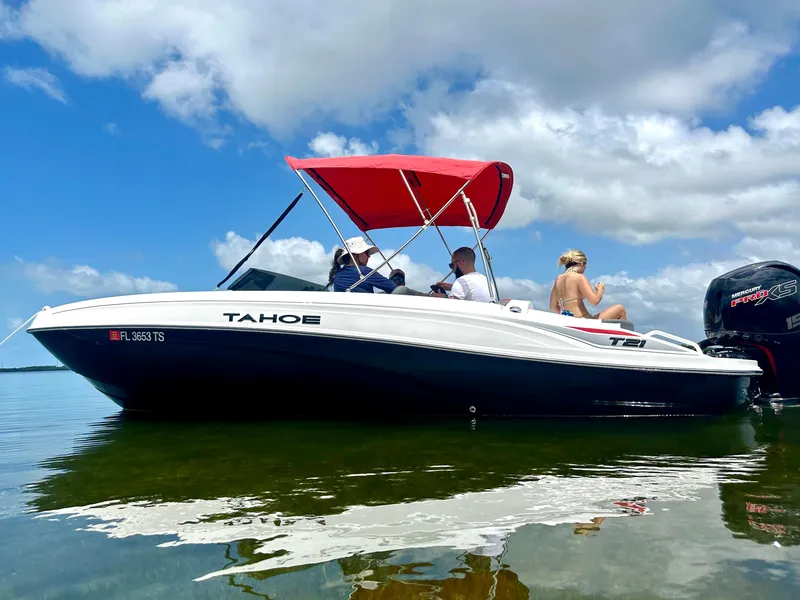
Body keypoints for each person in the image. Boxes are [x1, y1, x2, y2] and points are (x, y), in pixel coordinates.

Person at [548, 249, 627, 320]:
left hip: (569, 323)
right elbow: (594, 301)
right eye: (585, 267)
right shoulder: (578, 277)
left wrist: (568, 317)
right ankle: (625, 336)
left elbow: (553, 307)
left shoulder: (558, 279)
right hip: (584, 321)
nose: (585, 270)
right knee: (620, 309)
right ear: (582, 263)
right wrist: (600, 290)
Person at [328, 236, 397, 293]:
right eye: (366, 252)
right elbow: (393, 287)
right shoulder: (364, 271)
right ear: (354, 255)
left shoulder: (337, 275)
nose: (369, 256)